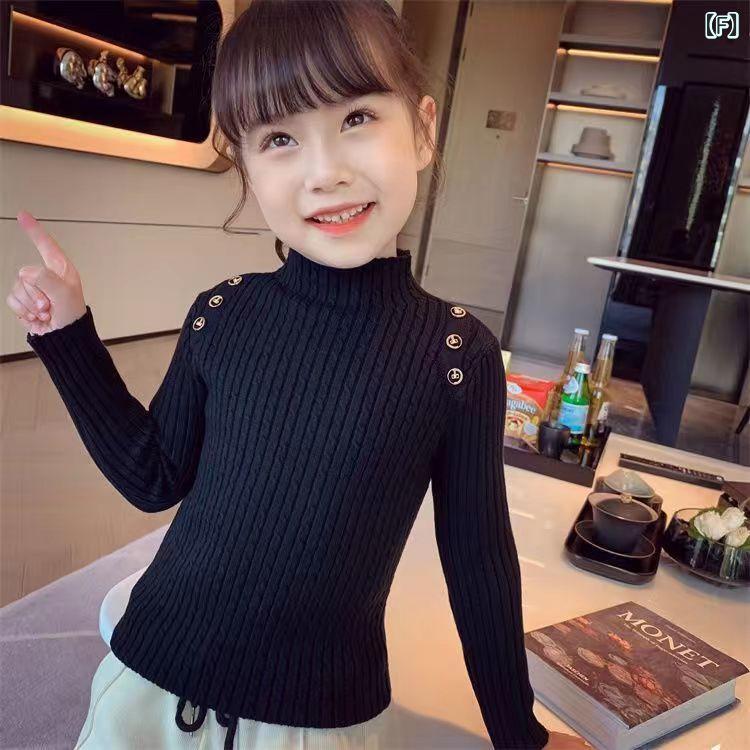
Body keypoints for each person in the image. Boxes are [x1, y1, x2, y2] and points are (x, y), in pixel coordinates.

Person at [7, 1, 591, 748]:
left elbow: (477, 564)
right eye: (280, 138)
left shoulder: (456, 356)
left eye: (357, 118)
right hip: (149, 683)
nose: (326, 173)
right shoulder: (222, 313)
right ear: (245, 164)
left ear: (423, 130)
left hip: (317, 723)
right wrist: (67, 334)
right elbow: (152, 477)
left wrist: (520, 737)